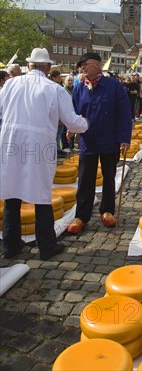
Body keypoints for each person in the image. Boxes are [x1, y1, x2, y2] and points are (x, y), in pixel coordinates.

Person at [0, 48, 88, 260]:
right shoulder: (54, 89)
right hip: (39, 144)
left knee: (11, 193)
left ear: (29, 65)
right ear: (48, 67)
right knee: (41, 196)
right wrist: (86, 123)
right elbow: (72, 121)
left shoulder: (10, 84)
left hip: (10, 143)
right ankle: (47, 245)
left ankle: (11, 244)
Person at [67, 52, 132, 234]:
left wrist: (125, 138)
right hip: (88, 140)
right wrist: (71, 127)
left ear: (96, 65)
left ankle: (107, 211)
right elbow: (73, 112)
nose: (82, 68)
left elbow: (124, 113)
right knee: (85, 178)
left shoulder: (113, 86)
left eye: (85, 64)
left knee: (109, 176)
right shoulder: (80, 88)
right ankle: (82, 215)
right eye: (81, 65)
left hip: (109, 140)